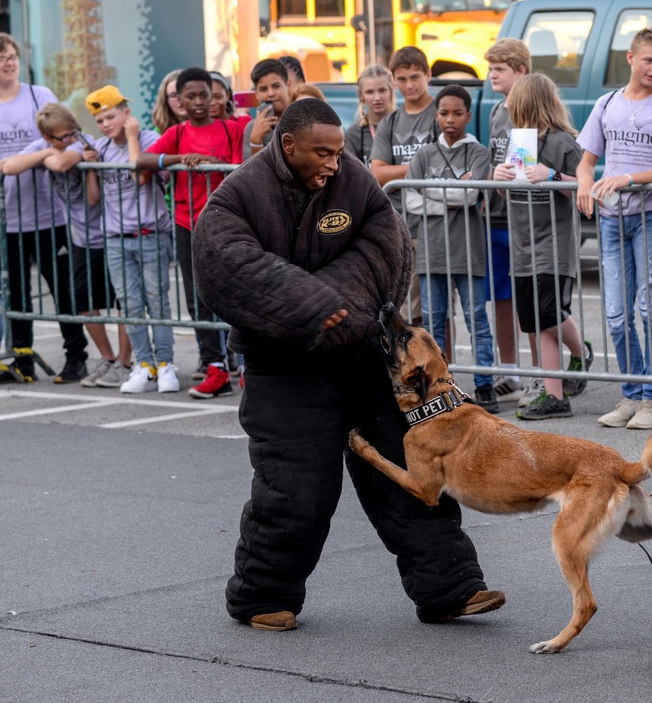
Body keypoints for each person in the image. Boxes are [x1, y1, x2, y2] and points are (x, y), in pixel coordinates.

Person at [192, 97, 505, 631]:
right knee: (296, 489)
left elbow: (388, 247)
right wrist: (314, 309)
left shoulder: (353, 179)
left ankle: (450, 587)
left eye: (338, 153)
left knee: (411, 470)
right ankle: (261, 595)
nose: (335, 164)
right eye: (322, 153)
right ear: (287, 146)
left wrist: (336, 307)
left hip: (366, 353)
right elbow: (226, 267)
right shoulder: (236, 197)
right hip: (283, 367)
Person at [576, 27, 652, 430]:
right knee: (616, 312)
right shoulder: (607, 103)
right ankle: (632, 394)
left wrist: (627, 178)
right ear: (630, 58)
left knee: (650, 308)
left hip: (650, 218)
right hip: (610, 219)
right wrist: (586, 180)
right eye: (648, 61)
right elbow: (586, 159)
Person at [0, 33, 88, 385]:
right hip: (1, 218)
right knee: (16, 296)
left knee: (63, 291)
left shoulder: (41, 97)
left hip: (47, 215)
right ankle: (22, 361)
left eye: (13, 56)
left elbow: (68, 139)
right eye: (1, 59)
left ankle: (76, 357)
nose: (9, 63)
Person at [0, 101, 135, 388]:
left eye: (73, 132)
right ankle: (108, 359)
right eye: (64, 136)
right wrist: (47, 151)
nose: (72, 139)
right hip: (81, 239)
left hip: (110, 233)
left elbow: (63, 164)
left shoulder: (79, 144)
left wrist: (52, 153)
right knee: (82, 302)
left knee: (123, 302)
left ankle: (125, 362)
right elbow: (6, 166)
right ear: (47, 137)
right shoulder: (48, 145)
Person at [137, 67, 245, 398]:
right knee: (197, 296)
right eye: (192, 96)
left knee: (235, 293)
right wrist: (178, 158)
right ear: (180, 101)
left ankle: (243, 365)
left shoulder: (231, 129)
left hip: (227, 223)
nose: (200, 102)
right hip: (187, 224)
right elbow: (143, 159)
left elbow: (244, 166)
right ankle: (214, 367)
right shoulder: (178, 133)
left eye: (206, 95)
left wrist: (213, 162)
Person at [493, 73, 590, 420]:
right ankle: (555, 395)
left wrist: (551, 175)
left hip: (554, 242)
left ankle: (580, 352)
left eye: (513, 103)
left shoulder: (564, 142)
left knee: (548, 311)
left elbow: (583, 187)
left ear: (527, 104)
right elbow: (509, 189)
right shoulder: (517, 141)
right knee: (534, 320)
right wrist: (498, 177)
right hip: (522, 243)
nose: (507, 107)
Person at [404, 85, 497, 413]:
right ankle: (440, 384)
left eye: (457, 113)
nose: (450, 119)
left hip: (467, 250)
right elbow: (409, 199)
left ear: (468, 116)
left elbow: (470, 196)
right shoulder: (425, 154)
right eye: (444, 112)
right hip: (432, 251)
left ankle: (485, 383)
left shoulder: (478, 152)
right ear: (436, 114)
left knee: (475, 318)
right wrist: (448, 197)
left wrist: (431, 191)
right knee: (432, 320)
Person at [84, 86, 177, 393]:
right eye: (99, 121)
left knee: (157, 302)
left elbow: (140, 175)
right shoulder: (102, 147)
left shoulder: (147, 138)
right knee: (131, 305)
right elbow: (94, 199)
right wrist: (91, 167)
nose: (105, 125)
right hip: (115, 238)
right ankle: (144, 364)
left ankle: (165, 364)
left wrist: (133, 137)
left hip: (150, 234)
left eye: (110, 116)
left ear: (126, 114)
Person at [370, 46, 439, 324]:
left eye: (415, 77)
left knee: (437, 308)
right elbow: (377, 173)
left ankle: (441, 366)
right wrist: (420, 171)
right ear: (394, 80)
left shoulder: (441, 112)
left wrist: (397, 176)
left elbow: (445, 168)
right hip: (400, 226)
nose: (408, 85)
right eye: (402, 79)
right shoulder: (390, 122)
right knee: (408, 310)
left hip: (436, 226)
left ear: (428, 75)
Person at [484, 38, 531, 406]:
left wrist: (507, 175)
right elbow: (495, 157)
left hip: (526, 216)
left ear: (521, 71)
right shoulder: (496, 110)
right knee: (502, 296)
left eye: (499, 70)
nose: (491, 76)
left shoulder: (528, 108)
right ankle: (511, 369)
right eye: (490, 69)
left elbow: (522, 163)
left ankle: (547, 371)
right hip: (496, 215)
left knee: (532, 298)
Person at [344, 64, 395, 168]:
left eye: (382, 90)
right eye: (369, 92)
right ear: (361, 95)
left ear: (391, 90)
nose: (377, 97)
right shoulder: (355, 133)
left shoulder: (406, 125)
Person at [243, 59, 292, 160]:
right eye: (263, 89)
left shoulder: (302, 120)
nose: (270, 93)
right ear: (256, 93)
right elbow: (250, 172)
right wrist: (256, 141)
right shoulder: (251, 128)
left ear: (288, 85)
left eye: (276, 86)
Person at [152, 69, 186, 133]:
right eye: (174, 95)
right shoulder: (157, 135)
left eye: (185, 94)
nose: (180, 100)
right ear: (165, 100)